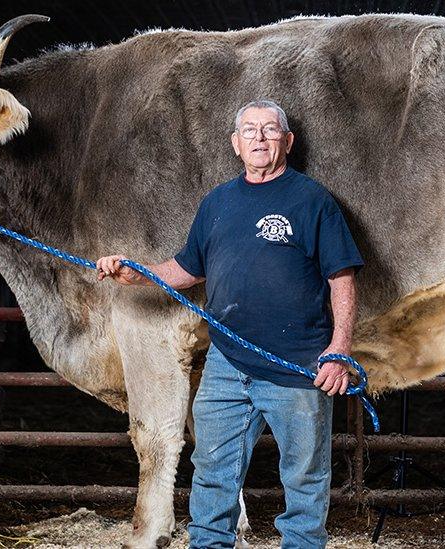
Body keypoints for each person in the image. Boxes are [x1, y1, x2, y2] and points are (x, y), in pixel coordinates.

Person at [96, 99, 363, 548]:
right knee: (213, 472)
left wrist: (339, 349)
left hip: (297, 366)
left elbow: (342, 276)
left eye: (270, 129)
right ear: (236, 144)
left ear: (288, 141)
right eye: (250, 131)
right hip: (226, 365)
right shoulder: (218, 201)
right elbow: (186, 268)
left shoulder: (311, 200)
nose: (260, 138)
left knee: (305, 478)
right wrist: (135, 272)